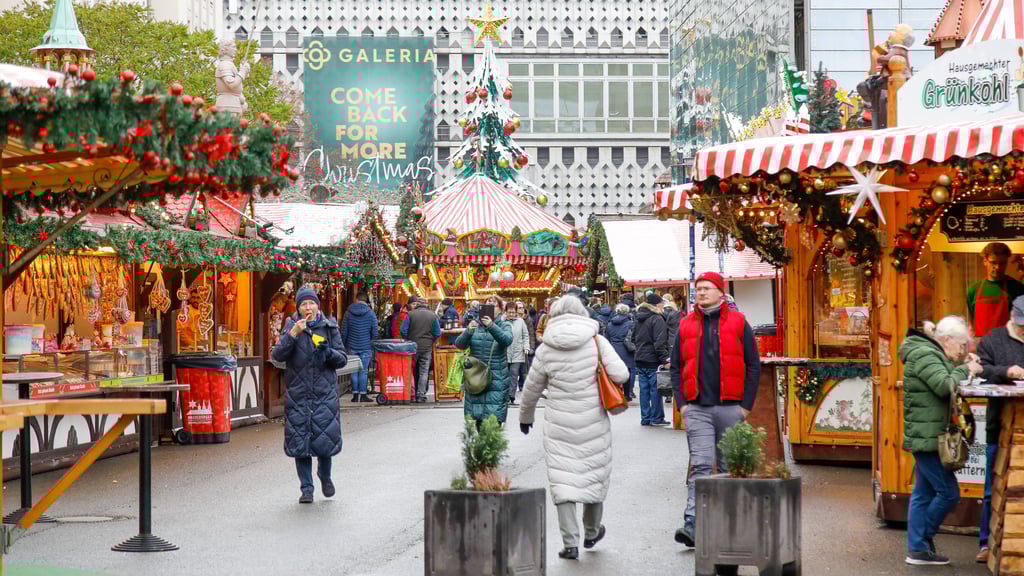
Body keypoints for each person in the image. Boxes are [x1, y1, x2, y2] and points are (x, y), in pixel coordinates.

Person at [518, 295, 630, 560]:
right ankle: (592, 531)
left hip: (559, 422)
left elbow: (531, 387)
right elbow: (622, 374)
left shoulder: (546, 348)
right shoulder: (596, 342)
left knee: (563, 480)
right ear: (582, 314)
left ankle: (570, 543)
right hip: (593, 418)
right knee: (593, 473)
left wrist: (526, 417)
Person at [670, 271, 760, 547]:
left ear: (721, 292)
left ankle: (728, 524)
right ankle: (693, 524)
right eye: (698, 289)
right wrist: (683, 405)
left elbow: (753, 365)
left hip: (730, 407)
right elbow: (675, 367)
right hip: (697, 408)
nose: (701, 292)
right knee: (699, 465)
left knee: (727, 466)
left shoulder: (738, 322)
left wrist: (745, 406)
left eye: (707, 288)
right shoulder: (685, 325)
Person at [899, 315, 980, 565]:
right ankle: (921, 543)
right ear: (946, 340)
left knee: (923, 492)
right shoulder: (925, 354)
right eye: (961, 345)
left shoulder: (928, 353)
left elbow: (943, 380)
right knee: (948, 493)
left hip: (929, 434)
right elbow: (944, 386)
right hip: (928, 436)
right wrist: (966, 369)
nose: (962, 350)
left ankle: (918, 548)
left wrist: (959, 364)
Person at [271, 286, 347, 503]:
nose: (308, 307)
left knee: (324, 440)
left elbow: (341, 359)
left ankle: (325, 476)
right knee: (300, 443)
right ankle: (306, 488)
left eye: (311, 303)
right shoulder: (290, 327)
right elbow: (277, 355)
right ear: (298, 307)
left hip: (324, 392)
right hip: (298, 393)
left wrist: (328, 352)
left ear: (317, 305)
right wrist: (292, 335)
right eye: (303, 304)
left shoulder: (329, 326)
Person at [973, 297, 1024, 563]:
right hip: (999, 427)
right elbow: (981, 369)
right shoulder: (993, 339)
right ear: (1013, 319)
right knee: (992, 487)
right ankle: (986, 543)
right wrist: (1007, 371)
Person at [456, 303, 513, 426]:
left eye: (494, 306)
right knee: (478, 419)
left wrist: (492, 326)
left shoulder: (504, 325)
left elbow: (506, 340)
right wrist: (468, 331)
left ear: (501, 310)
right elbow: (460, 344)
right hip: (476, 377)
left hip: (497, 377)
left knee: (494, 420)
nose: (490, 308)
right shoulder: (475, 326)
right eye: (487, 305)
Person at [968, 242, 1024, 340]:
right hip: (982, 347)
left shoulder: (1017, 289)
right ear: (985, 261)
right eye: (993, 262)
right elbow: (972, 322)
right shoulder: (973, 290)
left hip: (1008, 347)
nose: (997, 267)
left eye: (1002, 263)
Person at [634, 292, 669, 426]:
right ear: (657, 305)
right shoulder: (657, 319)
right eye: (661, 305)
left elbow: (633, 338)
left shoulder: (638, 318)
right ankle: (656, 417)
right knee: (655, 389)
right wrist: (665, 359)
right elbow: (659, 343)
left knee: (644, 390)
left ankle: (645, 418)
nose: (663, 308)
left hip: (640, 358)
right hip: (652, 359)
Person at [401, 297, 441, 403]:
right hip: (426, 348)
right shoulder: (433, 315)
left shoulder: (410, 314)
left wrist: (408, 339)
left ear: (417, 304)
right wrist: (430, 340)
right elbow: (437, 333)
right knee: (424, 371)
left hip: (412, 347)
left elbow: (403, 330)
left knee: (410, 370)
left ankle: (410, 394)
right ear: (426, 304)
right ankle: (421, 395)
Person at [340, 292, 377, 403]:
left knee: (354, 371)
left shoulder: (348, 313)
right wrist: (370, 341)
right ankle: (363, 395)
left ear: (356, 299)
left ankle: (355, 395)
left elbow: (344, 330)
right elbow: (375, 332)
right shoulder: (371, 314)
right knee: (363, 371)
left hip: (351, 346)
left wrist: (343, 344)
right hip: (366, 346)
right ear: (366, 300)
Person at [605, 303, 636, 401]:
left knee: (614, 372)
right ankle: (627, 394)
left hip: (614, 350)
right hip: (627, 350)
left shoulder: (610, 324)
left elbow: (607, 338)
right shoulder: (631, 323)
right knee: (628, 372)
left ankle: (615, 393)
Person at [505, 305, 531, 405]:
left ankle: (511, 396)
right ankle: (505, 395)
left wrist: (526, 347)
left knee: (514, 374)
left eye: (513, 312)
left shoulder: (521, 322)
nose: (511, 314)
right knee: (505, 375)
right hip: (505, 351)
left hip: (518, 352)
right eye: (509, 312)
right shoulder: (502, 322)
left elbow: (525, 335)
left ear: (516, 312)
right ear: (506, 312)